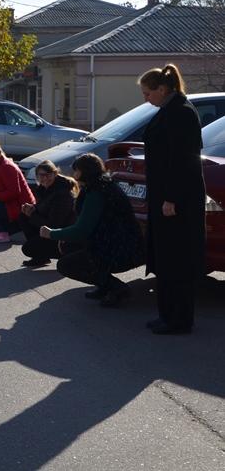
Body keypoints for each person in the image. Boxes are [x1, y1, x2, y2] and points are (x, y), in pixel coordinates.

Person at [139, 63, 205, 334]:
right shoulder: (169, 110)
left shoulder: (181, 113)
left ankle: (179, 319)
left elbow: (183, 161)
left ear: (162, 89)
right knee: (165, 260)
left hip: (178, 202)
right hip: (165, 199)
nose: (146, 98)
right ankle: (166, 314)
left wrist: (171, 198)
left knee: (177, 261)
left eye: (148, 93)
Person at [40, 154, 144, 307]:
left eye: (76, 171)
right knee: (69, 246)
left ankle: (117, 288)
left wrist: (52, 233)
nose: (74, 174)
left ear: (85, 172)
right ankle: (104, 285)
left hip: (119, 247)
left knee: (65, 265)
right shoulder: (101, 185)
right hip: (115, 240)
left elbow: (82, 230)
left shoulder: (96, 192)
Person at [19, 160, 79, 267]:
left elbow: (55, 224)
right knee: (23, 216)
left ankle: (65, 254)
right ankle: (41, 256)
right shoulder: (45, 188)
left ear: (55, 174)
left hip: (63, 236)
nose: (45, 178)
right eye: (41, 175)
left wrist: (32, 214)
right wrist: (32, 208)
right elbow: (45, 208)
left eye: (48, 175)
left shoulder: (62, 193)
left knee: (28, 248)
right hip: (50, 228)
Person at [0, 141, 36, 243]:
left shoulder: (6, 167)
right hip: (14, 204)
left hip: (22, 207)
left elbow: (14, 192)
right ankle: (14, 228)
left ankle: (3, 232)